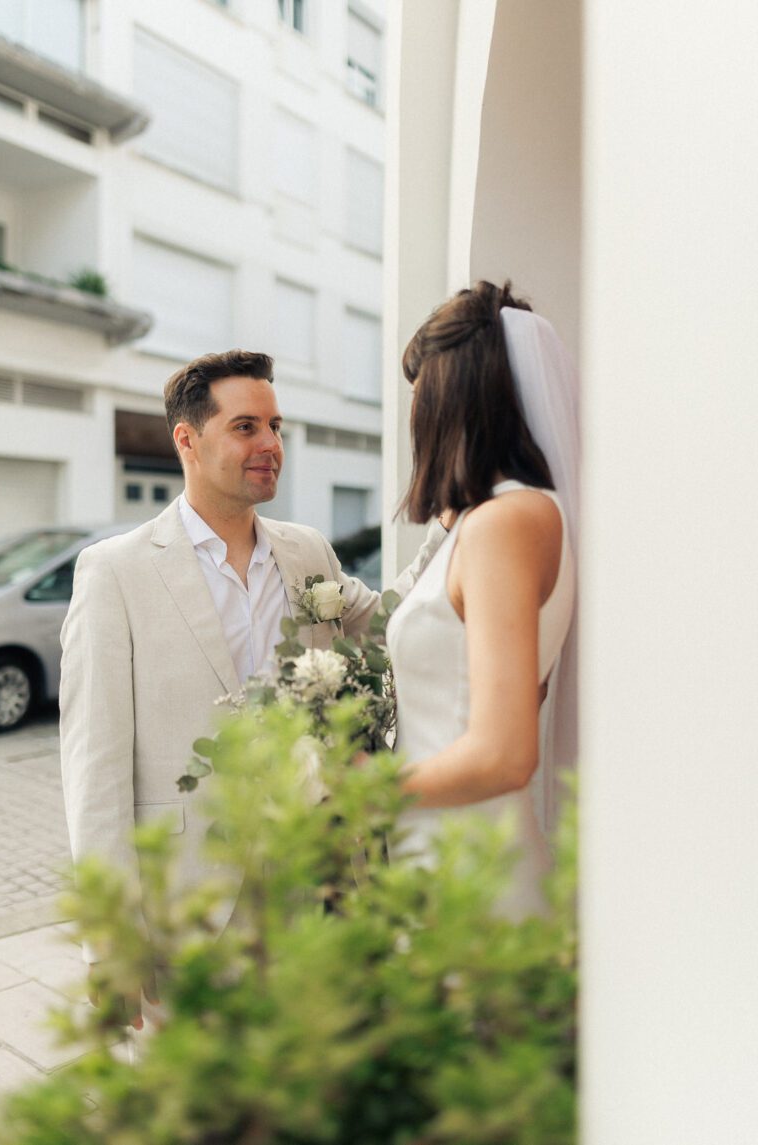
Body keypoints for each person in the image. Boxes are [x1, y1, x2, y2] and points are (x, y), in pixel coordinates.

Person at [60, 348, 441, 1028]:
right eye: (246, 427)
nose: (271, 444)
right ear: (188, 438)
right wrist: (109, 936)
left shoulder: (307, 553)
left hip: (315, 885)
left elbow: (391, 621)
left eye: (275, 425)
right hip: (189, 906)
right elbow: (96, 764)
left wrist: (454, 524)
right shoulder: (113, 572)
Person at [386, 281, 579, 916]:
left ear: (454, 392)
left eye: (421, 388)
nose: (414, 412)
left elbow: (503, 754)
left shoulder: (506, 524)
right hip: (446, 851)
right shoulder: (502, 518)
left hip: (475, 872)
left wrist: (356, 792)